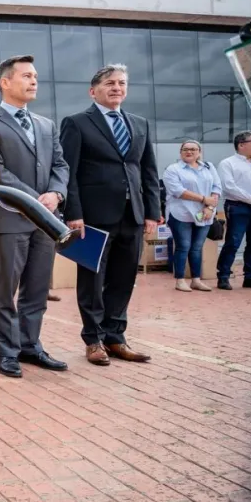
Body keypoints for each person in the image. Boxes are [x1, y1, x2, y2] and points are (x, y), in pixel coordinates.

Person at [61, 64, 160, 366]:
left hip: (132, 214)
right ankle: (93, 340)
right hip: (92, 216)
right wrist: (73, 212)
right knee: (91, 279)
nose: (117, 87)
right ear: (94, 91)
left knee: (123, 278)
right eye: (109, 83)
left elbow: (148, 171)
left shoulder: (139, 123)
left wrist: (153, 212)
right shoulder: (77, 123)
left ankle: (115, 337)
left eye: (121, 83)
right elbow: (69, 171)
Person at [0, 55, 70, 378]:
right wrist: (36, 200)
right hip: (10, 220)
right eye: (25, 76)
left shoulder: (46, 125)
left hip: (46, 221)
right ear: (5, 82)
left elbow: (60, 165)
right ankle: (5, 352)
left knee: (36, 289)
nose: (33, 81)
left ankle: (29, 346)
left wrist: (56, 194)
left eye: (35, 76)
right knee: (5, 290)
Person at [163, 140, 222, 292]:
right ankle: (180, 280)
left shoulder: (208, 167)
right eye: (185, 149)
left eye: (193, 149)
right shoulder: (173, 169)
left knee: (197, 248)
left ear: (199, 152)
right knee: (183, 247)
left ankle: (196, 280)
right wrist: (203, 199)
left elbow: (217, 187)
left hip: (205, 214)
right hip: (181, 213)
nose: (189, 152)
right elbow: (178, 191)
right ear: (180, 152)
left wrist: (210, 206)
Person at [216, 130, 251, 290]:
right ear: (241, 145)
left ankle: (250, 277)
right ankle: (223, 276)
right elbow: (229, 187)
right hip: (238, 206)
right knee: (233, 242)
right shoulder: (228, 163)